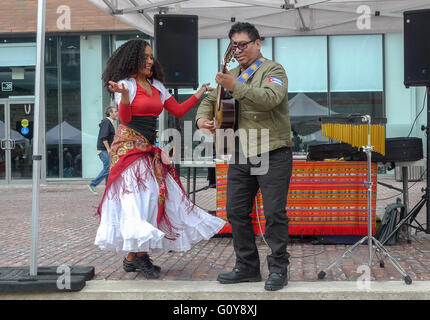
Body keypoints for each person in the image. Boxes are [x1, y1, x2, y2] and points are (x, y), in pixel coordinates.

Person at [94, 39, 225, 279]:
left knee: (152, 198)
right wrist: (123, 96)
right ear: (133, 59)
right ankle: (140, 256)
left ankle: (132, 257)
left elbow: (177, 110)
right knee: (138, 200)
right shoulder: (126, 85)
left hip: (148, 150)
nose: (150, 60)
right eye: (145, 56)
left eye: (151, 56)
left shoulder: (157, 86)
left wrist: (199, 93)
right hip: (129, 150)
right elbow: (124, 117)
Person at [196, 22, 293, 291]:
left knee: (275, 213)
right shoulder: (233, 73)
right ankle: (247, 267)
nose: (237, 50)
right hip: (240, 152)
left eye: (243, 44)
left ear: (258, 43)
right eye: (233, 45)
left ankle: (278, 269)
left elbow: (271, 98)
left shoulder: (273, 70)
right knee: (236, 211)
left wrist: (235, 85)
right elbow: (209, 99)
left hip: (273, 151)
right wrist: (202, 119)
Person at [88, 106, 118, 194]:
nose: (117, 113)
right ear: (110, 113)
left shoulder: (109, 122)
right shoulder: (106, 122)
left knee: (108, 167)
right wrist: (108, 149)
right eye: (115, 112)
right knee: (108, 167)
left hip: (106, 149)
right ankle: (93, 184)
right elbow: (103, 137)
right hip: (104, 150)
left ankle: (108, 188)